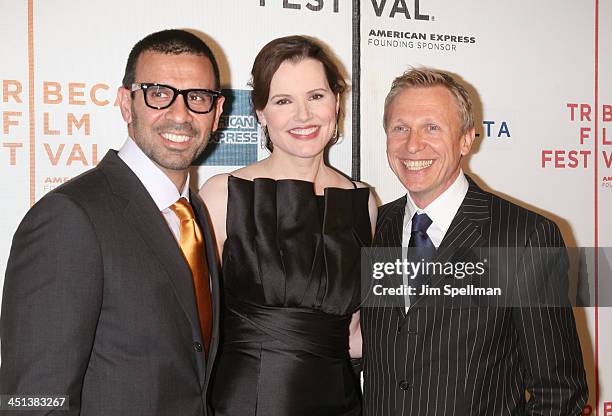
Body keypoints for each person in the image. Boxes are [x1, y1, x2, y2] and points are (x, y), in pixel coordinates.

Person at [0, 29, 224, 415]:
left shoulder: (196, 213)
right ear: (125, 103)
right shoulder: (70, 217)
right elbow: (31, 400)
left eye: (198, 98)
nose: (180, 114)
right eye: (158, 93)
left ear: (217, 114)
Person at [360, 68, 588, 415]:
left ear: (466, 139)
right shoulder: (371, 229)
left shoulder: (524, 238)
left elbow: (559, 392)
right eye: (400, 128)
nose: (412, 144)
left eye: (432, 127)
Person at [200, 35, 376, 416]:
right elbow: (191, 325)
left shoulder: (364, 202)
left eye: (316, 96)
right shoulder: (223, 196)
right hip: (248, 402)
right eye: (283, 101)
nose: (304, 115)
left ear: (337, 102)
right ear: (261, 113)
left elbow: (357, 332)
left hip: (341, 402)